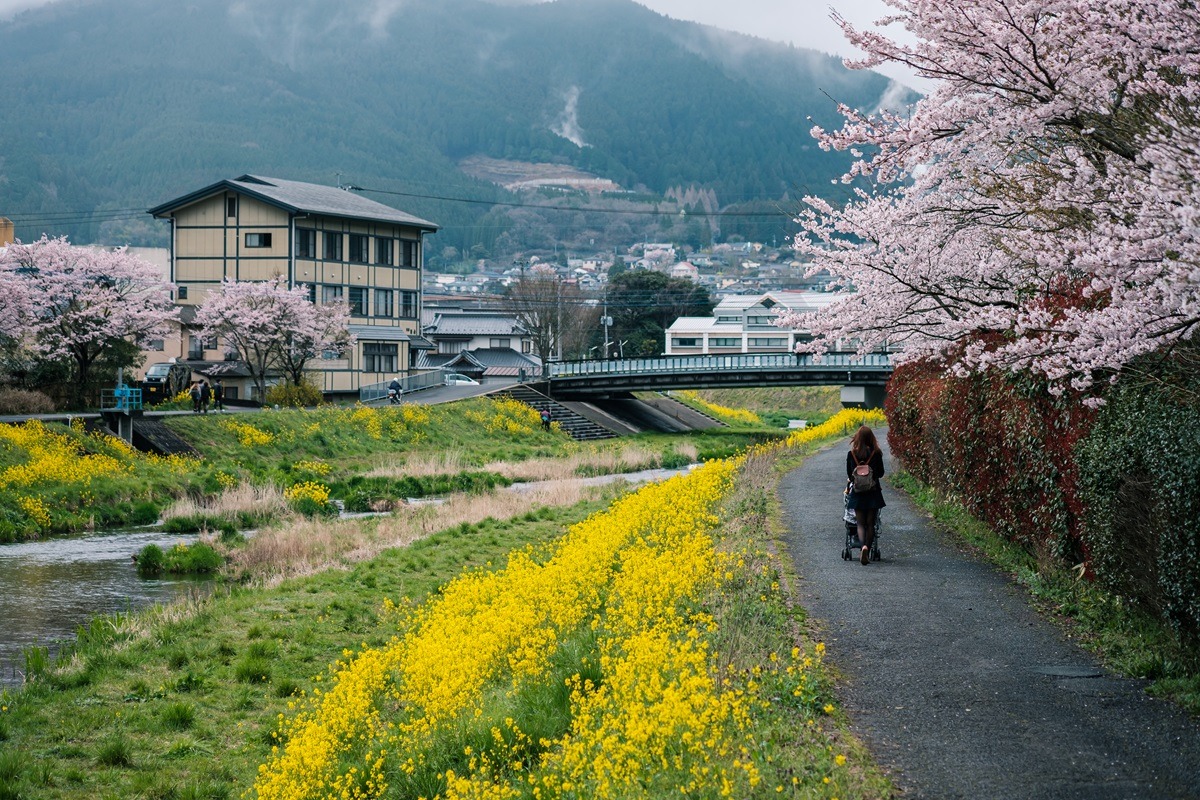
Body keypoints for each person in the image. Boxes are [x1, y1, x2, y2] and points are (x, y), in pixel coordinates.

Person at [846, 424, 886, 565]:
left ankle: (862, 546)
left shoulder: (852, 454)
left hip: (858, 493)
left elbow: (850, 476)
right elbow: (881, 473)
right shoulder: (877, 453)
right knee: (871, 524)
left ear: (857, 438)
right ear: (871, 438)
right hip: (873, 493)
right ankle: (867, 549)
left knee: (860, 524)